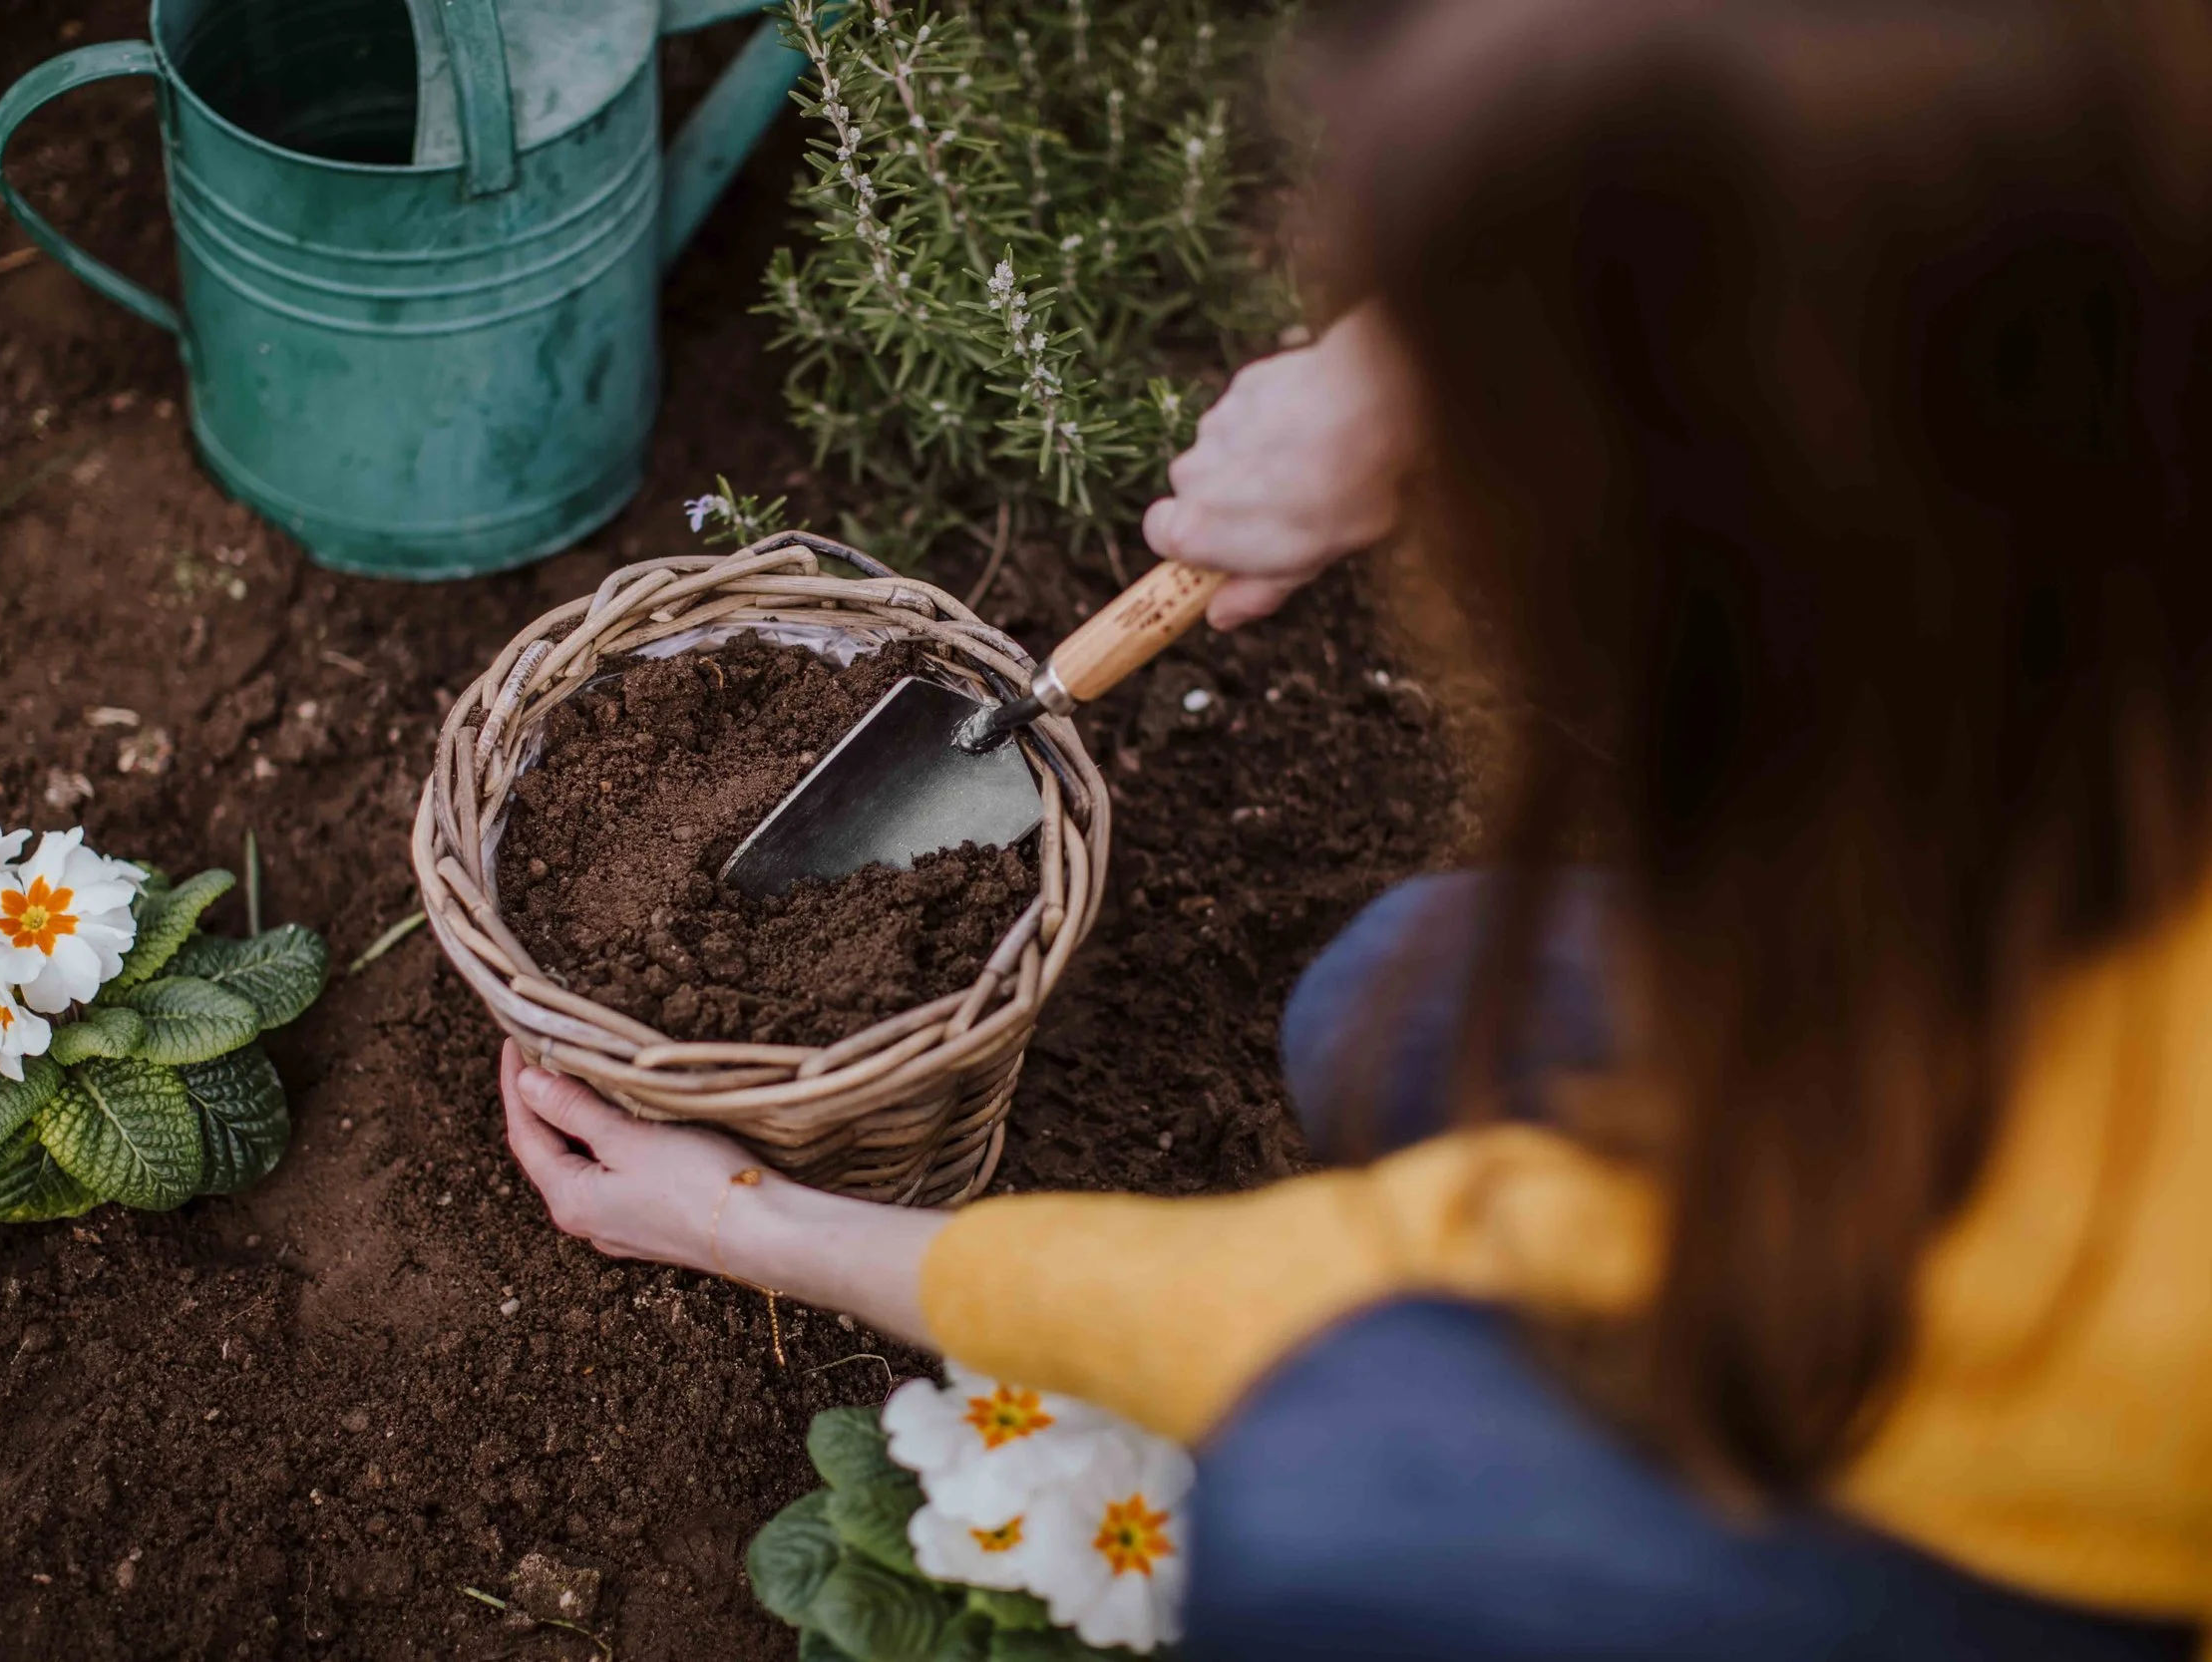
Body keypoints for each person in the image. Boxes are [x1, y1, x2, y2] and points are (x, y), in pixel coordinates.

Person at [500, 0, 2212, 1654]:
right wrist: (1399, 380)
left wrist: (754, 1223)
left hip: (2105, 1468)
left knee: (1345, 1510)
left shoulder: (2066, 1190)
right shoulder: (2091, 513)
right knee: (1391, 992)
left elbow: (1321, 1314)